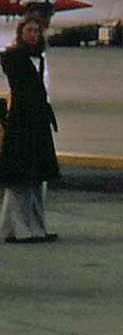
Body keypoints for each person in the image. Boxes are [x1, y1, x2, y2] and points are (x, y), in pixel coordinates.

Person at [0, 15, 61, 243]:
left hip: (37, 124)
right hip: (22, 124)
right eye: (30, 31)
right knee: (20, 180)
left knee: (36, 180)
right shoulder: (13, 58)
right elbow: (23, 91)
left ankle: (35, 227)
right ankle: (19, 229)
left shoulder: (38, 58)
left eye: (37, 31)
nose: (34, 35)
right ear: (21, 33)